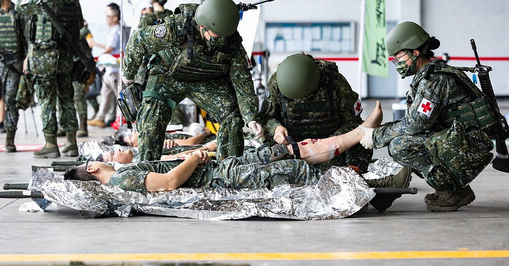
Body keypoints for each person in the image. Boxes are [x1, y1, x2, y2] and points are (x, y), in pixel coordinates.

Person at [65, 103, 412, 195]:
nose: (106, 158)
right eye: (102, 158)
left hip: (222, 166)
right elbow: (168, 183)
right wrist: (195, 157)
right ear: (93, 170)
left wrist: (198, 155)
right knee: (299, 171)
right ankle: (377, 187)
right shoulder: (119, 181)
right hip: (219, 176)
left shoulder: (123, 174)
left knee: (292, 152)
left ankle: (360, 133)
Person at [359, 21, 497, 212]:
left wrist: (377, 136)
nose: (397, 63)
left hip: (470, 144)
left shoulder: (434, 80)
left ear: (415, 52)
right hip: (461, 139)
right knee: (402, 140)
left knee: (400, 146)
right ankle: (454, 187)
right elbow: (417, 121)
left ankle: (455, 190)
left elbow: (417, 123)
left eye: (399, 57)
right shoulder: (428, 76)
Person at [123, 0, 263, 162]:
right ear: (202, 26)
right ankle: (147, 167)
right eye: (216, 36)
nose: (221, 40)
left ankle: (229, 168)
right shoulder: (177, 27)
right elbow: (138, 42)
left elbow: (242, 79)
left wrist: (250, 116)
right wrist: (128, 76)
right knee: (152, 116)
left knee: (232, 115)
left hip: (204, 78)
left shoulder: (231, 40)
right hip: (168, 74)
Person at [259, 53, 373, 174]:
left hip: (333, 146)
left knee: (361, 139)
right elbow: (266, 118)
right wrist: (276, 128)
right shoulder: (277, 83)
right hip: (294, 148)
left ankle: (353, 175)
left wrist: (328, 145)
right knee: (267, 156)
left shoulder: (334, 82)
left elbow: (353, 122)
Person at [16, 0, 83, 158]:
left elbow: (20, 6)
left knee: (46, 99)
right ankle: (71, 143)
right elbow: (79, 23)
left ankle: (51, 144)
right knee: (67, 98)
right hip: (66, 55)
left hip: (45, 58)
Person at [0, 0, 26, 152]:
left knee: (11, 102)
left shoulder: (19, 15)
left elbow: (27, 41)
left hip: (13, 66)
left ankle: (10, 139)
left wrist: (26, 61)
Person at [87, 3, 123, 128]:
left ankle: (121, 119)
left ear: (115, 17)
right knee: (105, 93)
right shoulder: (112, 30)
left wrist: (99, 58)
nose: (106, 18)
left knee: (120, 96)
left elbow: (110, 49)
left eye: (109, 16)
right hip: (109, 69)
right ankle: (100, 118)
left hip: (114, 70)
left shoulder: (117, 31)